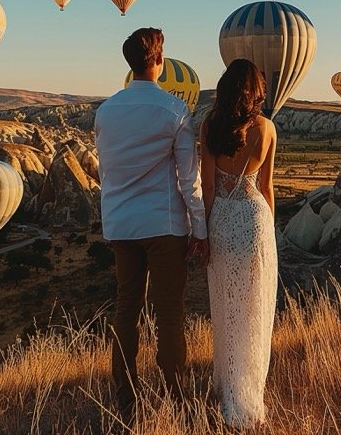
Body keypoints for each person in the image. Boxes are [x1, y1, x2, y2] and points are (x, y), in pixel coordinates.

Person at [94, 28, 207, 424]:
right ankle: (177, 400)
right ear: (159, 60)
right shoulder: (174, 110)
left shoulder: (105, 111)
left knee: (127, 311)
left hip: (122, 225)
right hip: (164, 226)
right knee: (170, 315)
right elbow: (188, 178)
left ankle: (126, 399)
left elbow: (105, 170)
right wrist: (201, 229)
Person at [201, 58, 278, 429]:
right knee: (254, 309)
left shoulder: (211, 126)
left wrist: (202, 231)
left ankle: (228, 388)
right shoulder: (268, 129)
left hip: (223, 221)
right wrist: (270, 231)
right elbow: (267, 187)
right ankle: (249, 394)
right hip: (255, 219)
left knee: (227, 308)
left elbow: (210, 187)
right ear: (256, 91)